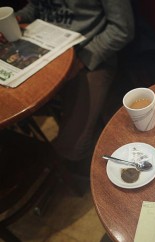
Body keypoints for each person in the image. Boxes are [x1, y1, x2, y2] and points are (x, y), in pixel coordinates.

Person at [13, 1, 135, 174]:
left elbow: (122, 29)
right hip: (41, 47)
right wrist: (17, 17)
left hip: (89, 53)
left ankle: (77, 172)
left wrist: (82, 60)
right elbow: (35, 7)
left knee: (72, 145)